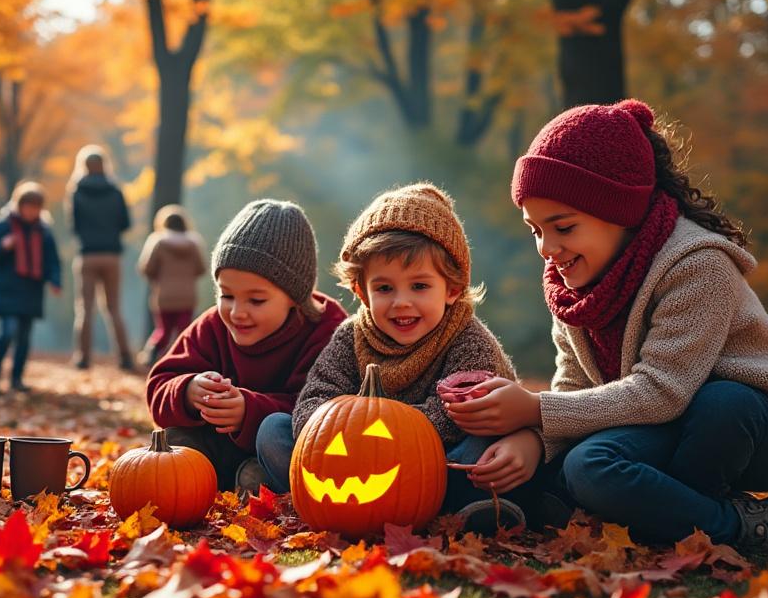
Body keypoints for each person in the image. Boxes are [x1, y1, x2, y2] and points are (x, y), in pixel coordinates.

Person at [458, 99, 768, 558]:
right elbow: (574, 385)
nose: (547, 248)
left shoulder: (698, 264)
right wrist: (536, 441)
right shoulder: (572, 284)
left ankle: (745, 526)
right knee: (588, 465)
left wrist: (533, 411)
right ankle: (685, 517)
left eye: (563, 227)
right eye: (535, 231)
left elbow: (662, 390)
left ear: (620, 212)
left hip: (752, 428)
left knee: (721, 402)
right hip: (663, 424)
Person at [263, 184, 531, 534]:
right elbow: (316, 395)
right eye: (384, 288)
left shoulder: (467, 337)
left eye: (419, 286)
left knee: (481, 446)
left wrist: (389, 434)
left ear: (451, 288)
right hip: (355, 456)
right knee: (274, 430)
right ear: (361, 291)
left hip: (437, 460)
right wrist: (348, 430)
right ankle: (310, 497)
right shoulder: (351, 336)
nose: (401, 302)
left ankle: (468, 509)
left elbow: (467, 411)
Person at [147, 200, 348, 493]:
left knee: (276, 437)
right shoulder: (214, 324)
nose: (237, 312)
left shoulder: (326, 329)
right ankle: (202, 480)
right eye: (227, 295)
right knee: (174, 438)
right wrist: (189, 391)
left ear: (295, 297)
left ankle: (259, 480)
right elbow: (158, 386)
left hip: (281, 446)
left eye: (256, 300)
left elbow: (326, 410)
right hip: (216, 446)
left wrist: (249, 411)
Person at [0, 182, 62, 394]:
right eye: (28, 206)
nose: (31, 211)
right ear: (19, 205)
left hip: (32, 291)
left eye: (36, 207)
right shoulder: (4, 226)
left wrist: (55, 280)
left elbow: (52, 260)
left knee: (25, 338)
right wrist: (3, 246)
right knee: (8, 332)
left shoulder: (44, 231)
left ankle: (16, 378)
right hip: (9, 290)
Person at [66, 145, 133, 370]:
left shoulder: (77, 191)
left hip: (88, 255)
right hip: (112, 255)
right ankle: (124, 356)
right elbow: (126, 223)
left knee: (85, 308)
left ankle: (83, 357)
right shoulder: (116, 191)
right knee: (114, 308)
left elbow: (73, 226)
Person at [137, 204, 206, 368]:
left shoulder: (158, 242)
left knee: (163, 330)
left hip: (164, 295)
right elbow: (201, 269)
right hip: (187, 296)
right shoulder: (194, 243)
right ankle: (187, 361)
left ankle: (151, 356)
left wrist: (158, 277)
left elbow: (147, 268)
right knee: (184, 331)